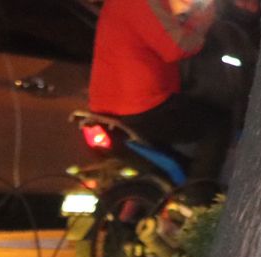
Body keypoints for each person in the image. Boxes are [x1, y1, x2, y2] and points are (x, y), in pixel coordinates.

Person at [88, 0, 230, 200]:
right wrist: (201, 22)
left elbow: (160, 30)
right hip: (142, 105)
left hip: (110, 106)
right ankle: (199, 202)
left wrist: (189, 18)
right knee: (218, 123)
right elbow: (176, 46)